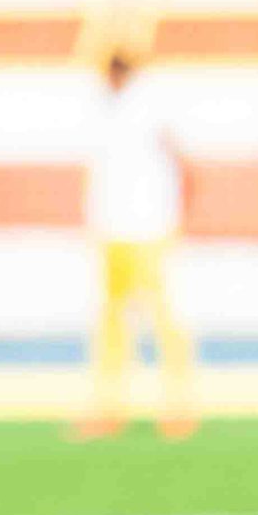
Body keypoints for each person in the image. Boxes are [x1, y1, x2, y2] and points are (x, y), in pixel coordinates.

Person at [75, 45, 195, 440]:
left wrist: (179, 212)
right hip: (113, 229)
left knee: (161, 320)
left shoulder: (149, 106)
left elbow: (180, 161)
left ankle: (178, 408)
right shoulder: (103, 110)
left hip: (149, 229)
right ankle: (110, 409)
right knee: (112, 324)